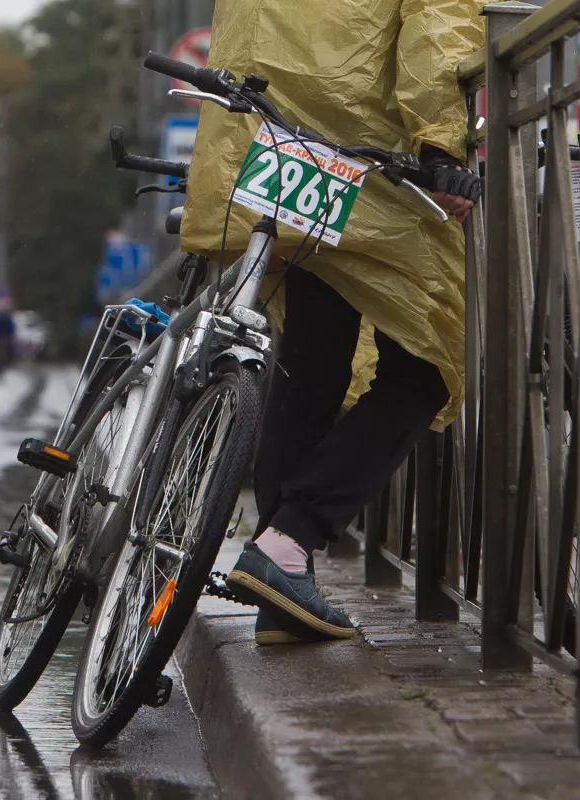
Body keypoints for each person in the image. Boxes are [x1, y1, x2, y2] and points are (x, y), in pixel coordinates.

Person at [179, 0, 484, 643]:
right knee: (426, 367)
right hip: (369, 164)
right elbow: (436, 28)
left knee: (311, 363)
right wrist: (441, 144)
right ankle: (289, 543)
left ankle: (279, 598)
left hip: (272, 143)